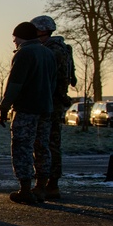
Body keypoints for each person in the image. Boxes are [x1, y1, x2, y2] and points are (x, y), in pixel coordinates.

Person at [0, 22, 56, 204]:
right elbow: (53, 82)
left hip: (26, 109)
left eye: (15, 37)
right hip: (46, 108)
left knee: (22, 147)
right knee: (42, 147)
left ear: (21, 36)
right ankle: (41, 186)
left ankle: (25, 188)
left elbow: (15, 84)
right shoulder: (48, 53)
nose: (14, 41)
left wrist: (4, 106)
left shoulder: (24, 54)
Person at [31, 14, 76, 201]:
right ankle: (50, 184)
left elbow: (60, 80)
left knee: (46, 144)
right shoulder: (60, 49)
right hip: (53, 102)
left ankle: (46, 184)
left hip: (50, 103)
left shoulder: (53, 50)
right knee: (51, 143)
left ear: (42, 30)